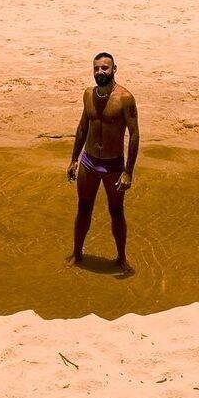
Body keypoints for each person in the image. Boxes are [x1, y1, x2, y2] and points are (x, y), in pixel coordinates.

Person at [66, 52, 139, 270]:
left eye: (105, 68)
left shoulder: (125, 99)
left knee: (116, 210)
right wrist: (73, 160)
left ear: (114, 69)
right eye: (96, 68)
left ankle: (121, 258)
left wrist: (128, 171)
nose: (100, 72)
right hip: (88, 162)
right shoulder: (88, 95)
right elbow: (82, 127)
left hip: (113, 165)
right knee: (83, 207)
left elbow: (134, 134)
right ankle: (77, 254)